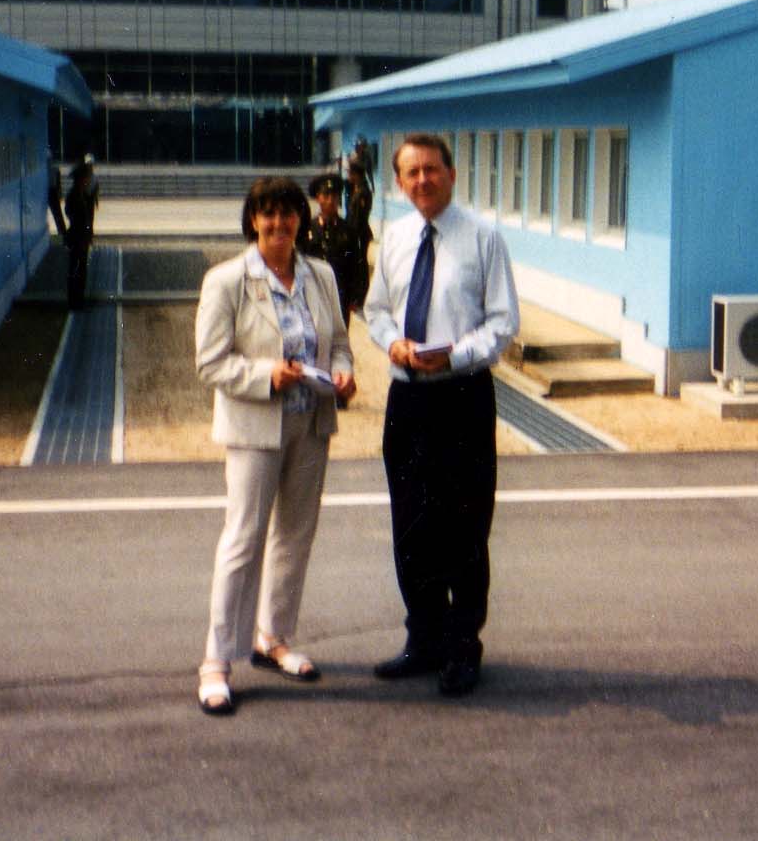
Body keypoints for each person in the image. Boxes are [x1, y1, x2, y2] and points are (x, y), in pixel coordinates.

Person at [194, 177, 358, 716]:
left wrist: (342, 374)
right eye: (268, 216)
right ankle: (216, 662)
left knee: (295, 535)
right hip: (255, 426)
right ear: (252, 221)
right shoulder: (226, 281)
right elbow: (211, 362)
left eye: (289, 216)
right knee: (243, 539)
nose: (279, 225)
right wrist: (270, 375)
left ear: (300, 221)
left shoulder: (322, 275)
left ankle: (274, 637)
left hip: (310, 422)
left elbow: (337, 342)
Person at [362, 133, 519, 697]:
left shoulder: (483, 238)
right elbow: (375, 310)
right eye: (412, 173)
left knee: (464, 526)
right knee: (411, 524)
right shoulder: (396, 239)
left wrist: (455, 353)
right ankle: (423, 637)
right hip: (408, 400)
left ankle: (462, 646)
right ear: (400, 183)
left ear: (451, 175)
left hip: (461, 397)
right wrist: (393, 344)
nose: (423, 180)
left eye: (432, 169)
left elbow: (503, 323)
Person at [300, 172, 363, 322]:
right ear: (318, 198)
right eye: (326, 195)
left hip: (340, 293)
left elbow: (357, 263)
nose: (330, 200)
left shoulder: (348, 229)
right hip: (314, 291)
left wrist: (356, 296)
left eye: (335, 196)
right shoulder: (307, 229)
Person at [64, 156, 98, 309]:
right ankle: (75, 302)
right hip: (77, 238)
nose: (87, 181)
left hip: (80, 238)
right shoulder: (74, 195)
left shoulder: (81, 194)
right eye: (85, 178)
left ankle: (78, 300)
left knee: (80, 269)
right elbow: (72, 214)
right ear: (80, 179)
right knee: (77, 270)